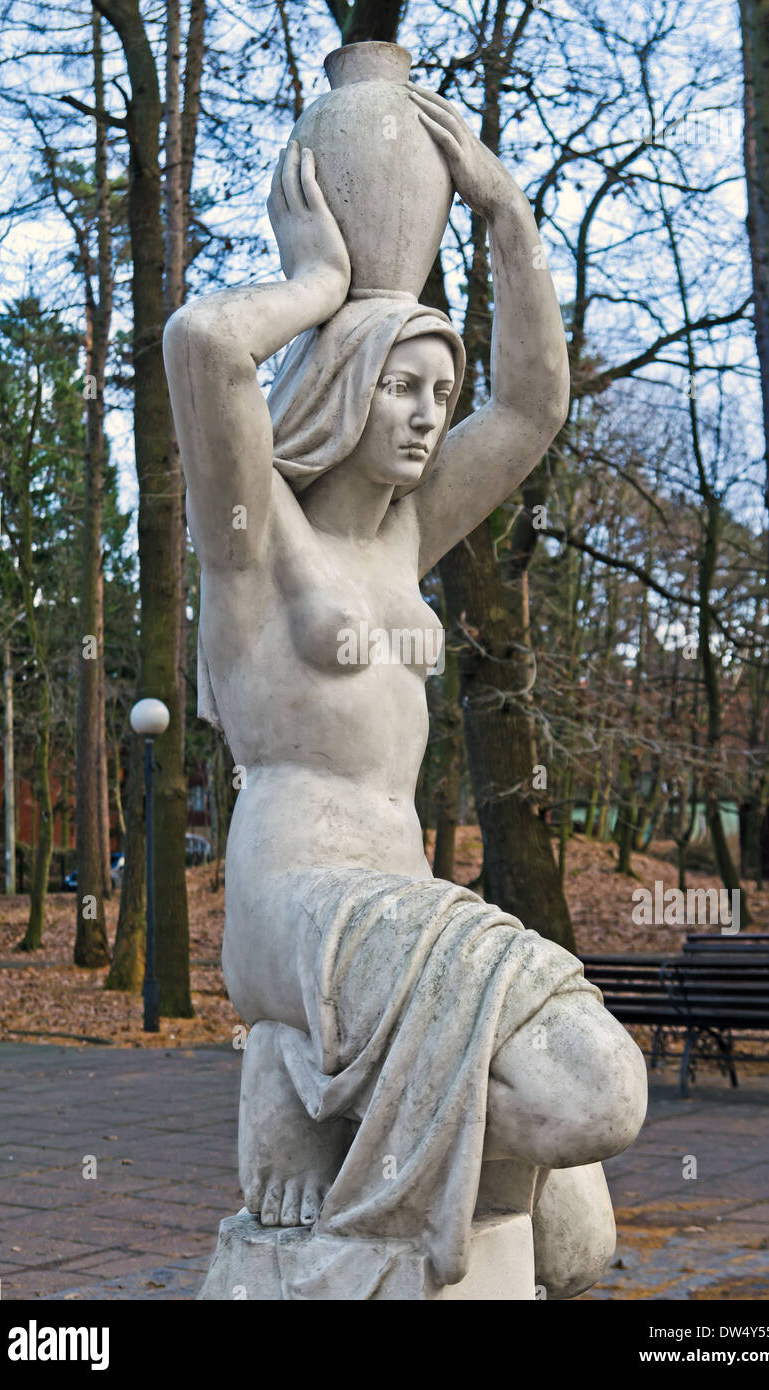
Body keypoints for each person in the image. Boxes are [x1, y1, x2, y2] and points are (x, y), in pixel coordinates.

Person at [164, 84, 647, 1295]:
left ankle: (305, 1076)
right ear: (340, 385)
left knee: (573, 1242)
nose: (431, 416)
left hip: (396, 892)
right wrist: (323, 282)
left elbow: (532, 407)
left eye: (440, 391)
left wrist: (502, 211)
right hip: (296, 898)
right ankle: (291, 1049)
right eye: (403, 386)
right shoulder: (253, 538)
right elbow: (206, 347)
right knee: (595, 1088)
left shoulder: (405, 542)